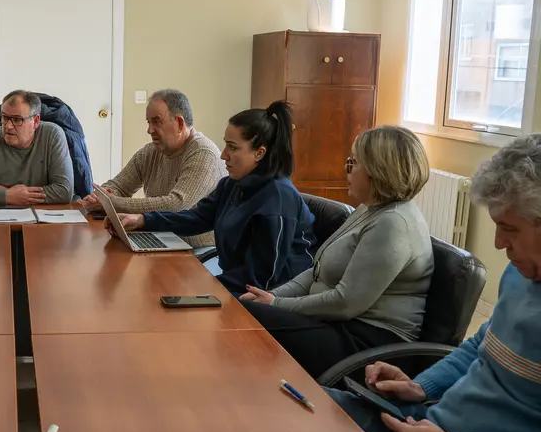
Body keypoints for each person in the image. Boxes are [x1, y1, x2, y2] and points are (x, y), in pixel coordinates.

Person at [325, 134, 541, 432]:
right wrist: (421, 387)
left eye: (510, 228)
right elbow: (481, 345)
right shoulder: (521, 275)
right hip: (430, 426)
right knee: (311, 412)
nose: (498, 243)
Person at [239, 126, 433, 378]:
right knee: (245, 309)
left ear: (378, 170)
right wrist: (272, 296)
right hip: (338, 325)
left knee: (247, 317)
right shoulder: (370, 209)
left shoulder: (393, 223)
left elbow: (345, 303)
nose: (346, 168)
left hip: (367, 345)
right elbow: (316, 272)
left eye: (354, 162)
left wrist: (276, 305)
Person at [108, 101, 315, 294]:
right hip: (237, 284)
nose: (224, 155)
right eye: (226, 145)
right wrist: (143, 220)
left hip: (273, 295)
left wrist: (205, 286)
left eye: (233, 147)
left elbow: (260, 278)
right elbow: (197, 218)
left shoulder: (278, 198)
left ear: (259, 153)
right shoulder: (231, 184)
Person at [76, 89, 227, 248]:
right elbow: (119, 185)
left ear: (180, 123)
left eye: (156, 121)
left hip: (197, 250)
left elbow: (175, 205)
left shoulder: (203, 153)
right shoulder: (150, 151)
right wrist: (100, 197)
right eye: (149, 122)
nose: (150, 130)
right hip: (160, 239)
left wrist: (111, 203)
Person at [0, 90, 74, 206]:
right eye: (5, 118)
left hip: (44, 215)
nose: (8, 126)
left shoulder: (53, 135)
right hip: (1, 216)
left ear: (36, 121)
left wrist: (16, 196)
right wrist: (6, 196)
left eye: (17, 120)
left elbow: (64, 191)